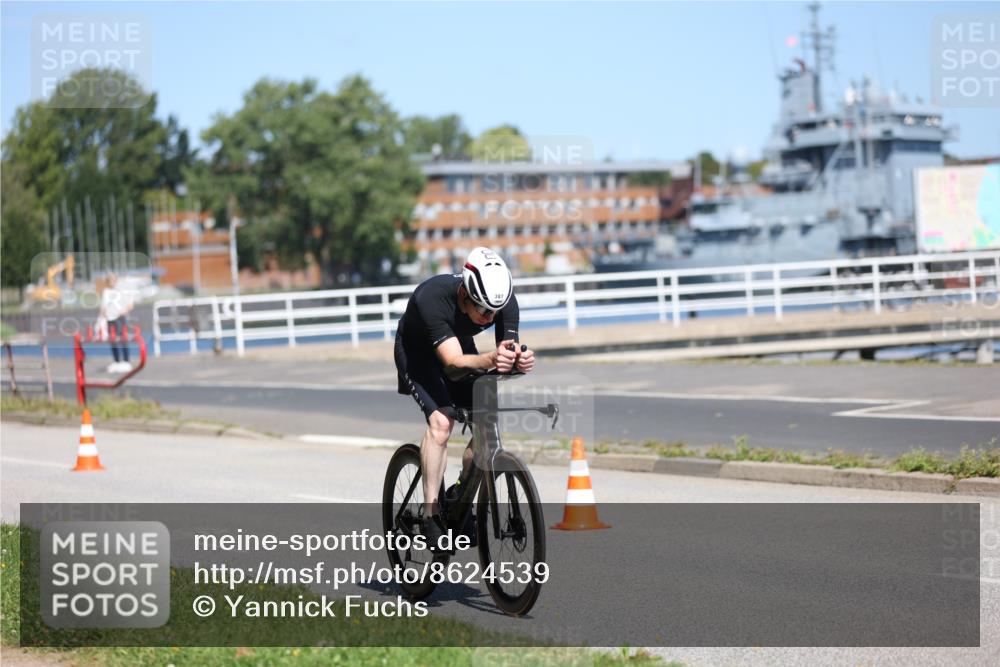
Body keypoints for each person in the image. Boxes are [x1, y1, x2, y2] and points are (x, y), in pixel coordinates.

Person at [394, 247, 535, 548]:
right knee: (442, 421)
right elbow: (453, 363)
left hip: (459, 350)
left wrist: (518, 363)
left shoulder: (502, 300)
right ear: (464, 294)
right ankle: (432, 513)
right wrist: (489, 359)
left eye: (495, 311)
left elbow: (505, 355)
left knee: (487, 425)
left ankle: (459, 496)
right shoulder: (432, 297)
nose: (489, 318)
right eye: (483, 311)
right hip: (419, 355)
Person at [99, 273, 135, 373]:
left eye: (113, 279)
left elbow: (130, 305)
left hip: (120, 318)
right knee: (113, 340)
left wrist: (123, 311)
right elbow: (103, 307)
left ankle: (126, 361)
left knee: (122, 339)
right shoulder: (106, 292)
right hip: (109, 319)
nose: (111, 281)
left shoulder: (122, 291)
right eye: (109, 280)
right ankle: (116, 361)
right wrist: (102, 317)